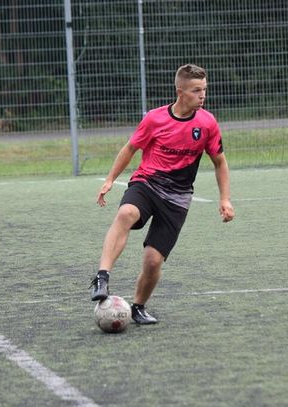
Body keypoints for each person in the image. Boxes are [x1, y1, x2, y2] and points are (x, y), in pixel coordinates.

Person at [90, 64, 235, 324]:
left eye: (204, 89)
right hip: (147, 183)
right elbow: (130, 149)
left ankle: (138, 307)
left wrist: (225, 199)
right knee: (126, 213)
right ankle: (102, 277)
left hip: (178, 197)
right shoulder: (155, 119)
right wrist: (110, 179)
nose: (202, 95)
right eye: (196, 90)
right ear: (180, 92)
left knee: (153, 261)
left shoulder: (207, 123)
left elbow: (219, 162)